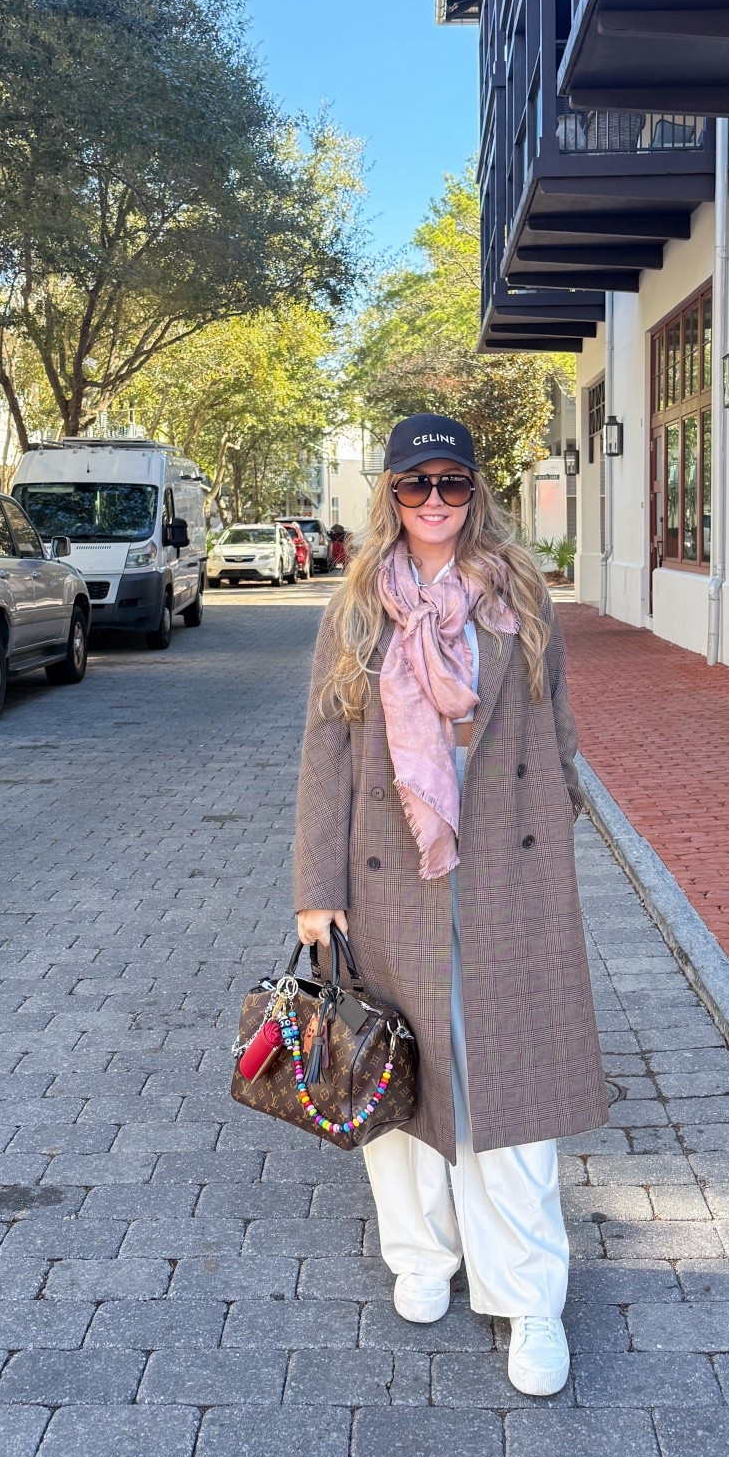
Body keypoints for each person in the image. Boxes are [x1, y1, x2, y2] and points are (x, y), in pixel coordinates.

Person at [293, 413, 607, 1396]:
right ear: (388, 495)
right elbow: (323, 757)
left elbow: (554, 726)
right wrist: (317, 891)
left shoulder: (518, 593)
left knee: (511, 1087)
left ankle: (529, 1296)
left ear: (477, 491)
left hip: (507, 871)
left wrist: (557, 817)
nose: (434, 501)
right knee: (396, 1076)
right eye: (415, 484)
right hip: (393, 871)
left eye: (452, 483)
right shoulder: (355, 610)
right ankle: (422, 1255)